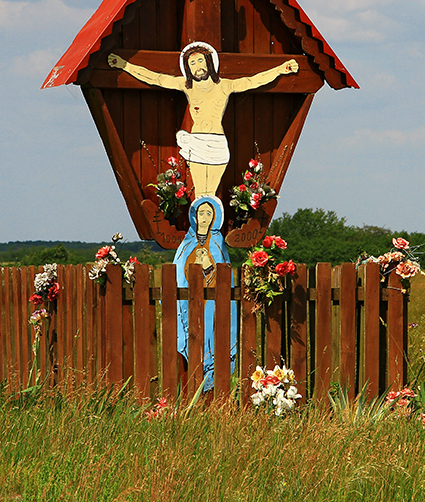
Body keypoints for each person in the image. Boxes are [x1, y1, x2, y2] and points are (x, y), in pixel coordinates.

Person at [107, 42, 298, 197]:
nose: (198, 67)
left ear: (209, 62)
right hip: (197, 141)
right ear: (188, 69)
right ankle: (200, 236)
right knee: (200, 192)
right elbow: (156, 78)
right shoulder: (186, 86)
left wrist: (281, 69)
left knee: (211, 192)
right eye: (193, 64)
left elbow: (253, 81)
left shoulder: (224, 86)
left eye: (200, 61)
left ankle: (211, 235)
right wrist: (125, 65)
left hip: (217, 142)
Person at [173, 195, 235, 391]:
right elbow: (179, 272)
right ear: (195, 217)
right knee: (191, 338)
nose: (205, 217)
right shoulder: (186, 243)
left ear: (215, 216)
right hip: (190, 302)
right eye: (201, 213)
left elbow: (223, 278)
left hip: (213, 305)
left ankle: (211, 379)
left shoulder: (218, 243)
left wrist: (209, 267)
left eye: (209, 213)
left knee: (212, 339)